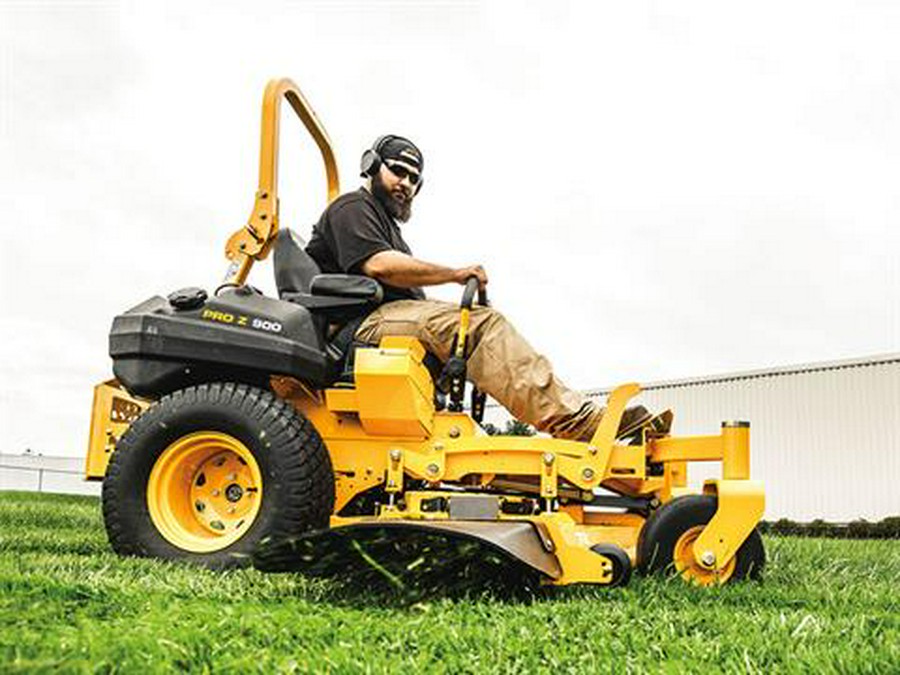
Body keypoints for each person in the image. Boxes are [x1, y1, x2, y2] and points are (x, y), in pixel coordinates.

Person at [305, 135, 664, 441]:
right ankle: (579, 422)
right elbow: (379, 265)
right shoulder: (351, 207)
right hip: (359, 328)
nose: (406, 184)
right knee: (482, 327)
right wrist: (454, 273)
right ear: (371, 166)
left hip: (381, 318)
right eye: (397, 171)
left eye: (414, 179)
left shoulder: (386, 225)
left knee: (472, 324)